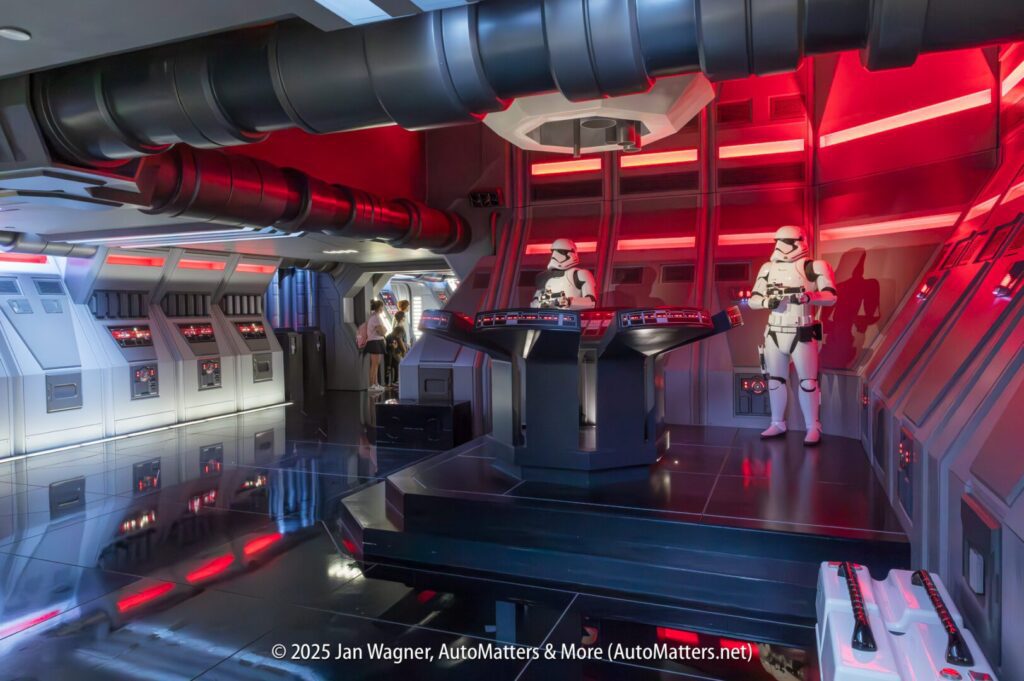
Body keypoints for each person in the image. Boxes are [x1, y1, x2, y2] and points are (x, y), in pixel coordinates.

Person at [747, 226, 838, 445]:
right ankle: (777, 422)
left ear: (799, 241)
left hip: (802, 331)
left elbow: (831, 295)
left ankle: (812, 426)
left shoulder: (814, 266)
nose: (781, 246)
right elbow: (753, 299)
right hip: (775, 331)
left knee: (808, 382)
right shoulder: (768, 268)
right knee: (775, 380)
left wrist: (810, 296)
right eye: (778, 241)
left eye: (786, 242)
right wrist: (768, 302)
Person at [530, 238, 598, 309]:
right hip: (548, 317)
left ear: (570, 254)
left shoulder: (580, 274)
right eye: (553, 251)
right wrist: (542, 304)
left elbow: (591, 302)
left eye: (560, 252)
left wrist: (569, 302)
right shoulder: (546, 277)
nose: (554, 256)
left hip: (569, 316)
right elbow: (535, 302)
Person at [365, 300, 388, 392]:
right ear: (379, 307)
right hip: (375, 342)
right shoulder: (376, 318)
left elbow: (382, 330)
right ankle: (372, 384)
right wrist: (384, 330)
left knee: (376, 364)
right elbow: (382, 331)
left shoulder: (375, 316)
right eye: (382, 307)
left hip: (376, 341)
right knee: (374, 365)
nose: (383, 308)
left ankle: (376, 383)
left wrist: (384, 329)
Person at [385, 310, 410, 387]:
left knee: (397, 368)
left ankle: (395, 382)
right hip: (399, 352)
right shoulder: (400, 328)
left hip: (395, 351)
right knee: (400, 367)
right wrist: (404, 350)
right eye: (404, 317)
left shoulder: (396, 328)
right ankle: (397, 383)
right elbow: (399, 339)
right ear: (403, 318)